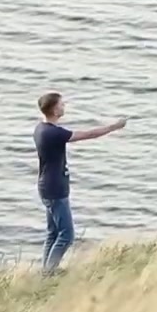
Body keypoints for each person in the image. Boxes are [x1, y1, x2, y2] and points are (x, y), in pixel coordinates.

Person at [33, 91, 127, 273]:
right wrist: (114, 127)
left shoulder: (40, 129)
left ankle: (46, 269)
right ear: (54, 110)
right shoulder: (54, 133)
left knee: (53, 232)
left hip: (47, 185)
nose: (64, 106)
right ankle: (49, 272)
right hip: (55, 188)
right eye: (61, 104)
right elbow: (89, 134)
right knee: (67, 235)